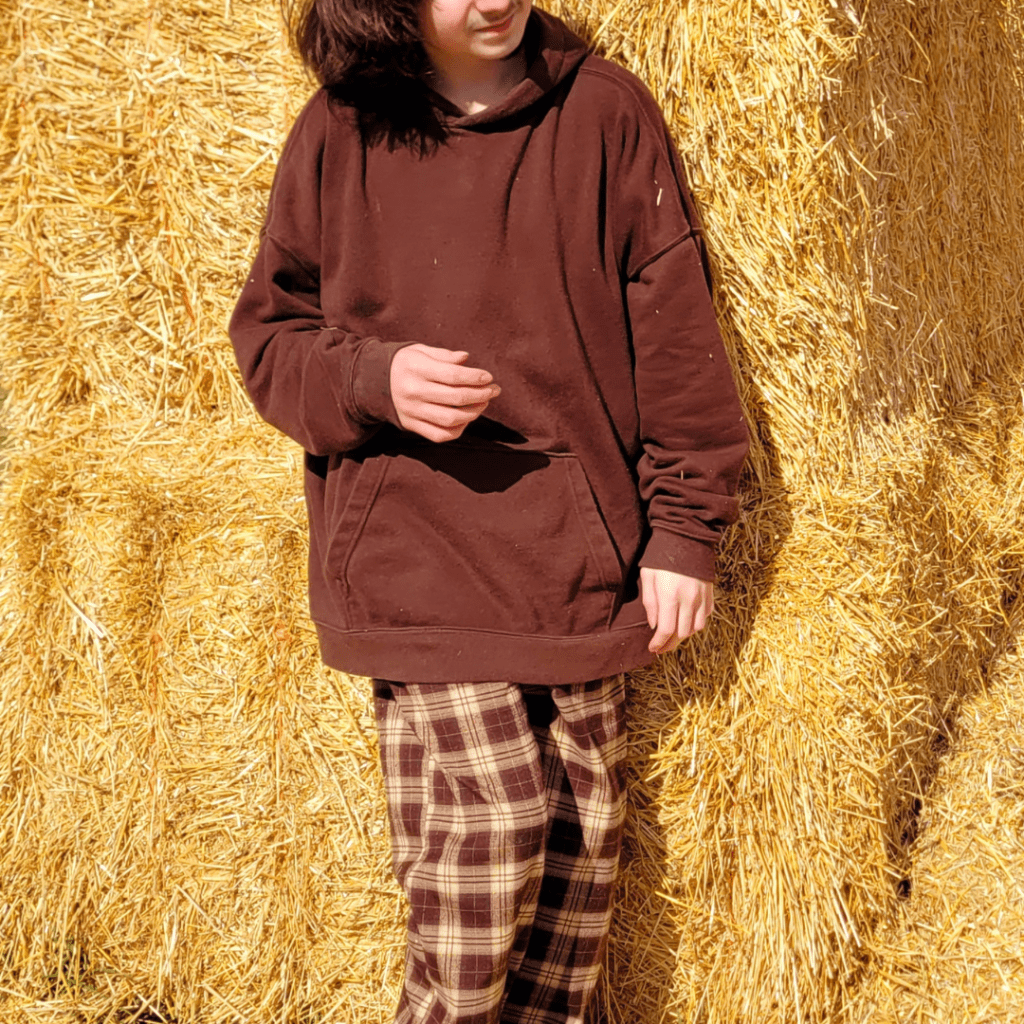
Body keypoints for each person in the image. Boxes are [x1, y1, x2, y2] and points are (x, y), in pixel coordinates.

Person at [228, 0, 749, 1020]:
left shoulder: (605, 113)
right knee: (495, 823)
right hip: (416, 556)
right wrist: (375, 381)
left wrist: (685, 529)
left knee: (582, 845)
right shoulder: (341, 127)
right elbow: (269, 338)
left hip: (576, 563)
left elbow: (678, 337)